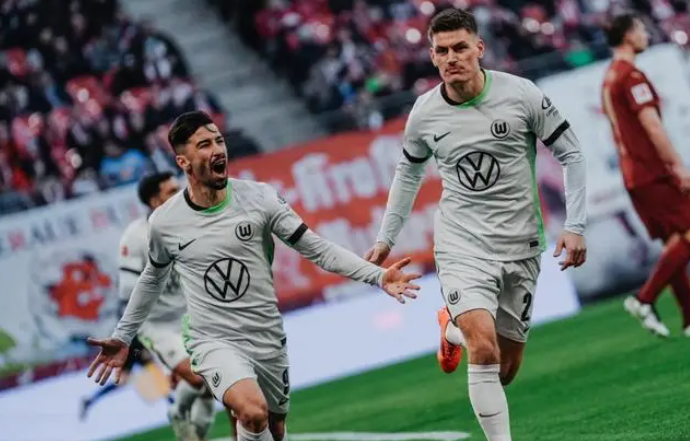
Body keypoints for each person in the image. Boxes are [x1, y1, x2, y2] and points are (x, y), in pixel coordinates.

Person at [85, 111, 421, 441]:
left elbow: (318, 249)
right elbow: (150, 280)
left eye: (219, 141)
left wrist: (378, 276)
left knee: (274, 428)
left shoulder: (259, 197)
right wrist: (123, 337)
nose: (217, 150)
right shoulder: (164, 222)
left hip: (265, 333)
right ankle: (186, 411)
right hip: (212, 337)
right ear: (183, 162)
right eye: (204, 145)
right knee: (252, 411)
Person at [364, 9, 587, 441]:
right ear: (432, 56)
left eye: (460, 48)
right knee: (483, 346)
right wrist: (386, 237)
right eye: (442, 51)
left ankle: (450, 326)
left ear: (479, 48)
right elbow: (407, 174)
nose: (452, 58)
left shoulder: (520, 94)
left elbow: (572, 154)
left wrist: (575, 224)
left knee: (504, 369)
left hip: (521, 243)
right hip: (462, 243)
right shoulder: (425, 113)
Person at [601, 12, 690, 338]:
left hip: (633, 174)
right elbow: (652, 125)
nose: (646, 35)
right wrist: (677, 165)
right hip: (651, 170)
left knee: (673, 243)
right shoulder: (631, 77)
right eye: (641, 30)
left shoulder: (609, 77)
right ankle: (644, 298)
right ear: (628, 35)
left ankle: (689, 318)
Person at [119, 171, 222, 440]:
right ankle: (181, 412)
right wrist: (132, 343)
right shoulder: (135, 237)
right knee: (201, 378)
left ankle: (182, 415)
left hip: (194, 316)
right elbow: (127, 295)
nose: (182, 194)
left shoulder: (192, 224)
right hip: (158, 325)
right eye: (172, 191)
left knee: (214, 384)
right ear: (155, 201)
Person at [80, 337, 169, 420]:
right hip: (133, 349)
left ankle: (170, 399)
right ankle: (90, 400)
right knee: (151, 370)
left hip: (133, 349)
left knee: (152, 371)